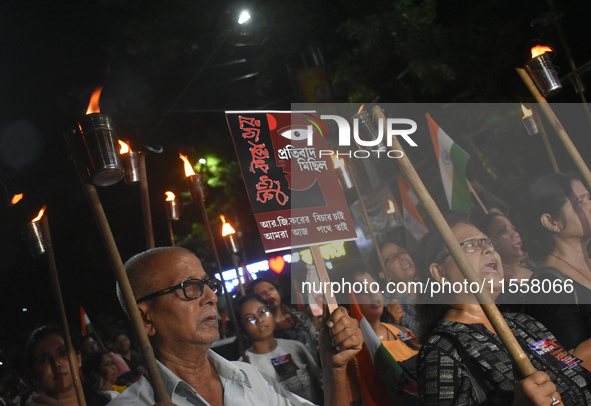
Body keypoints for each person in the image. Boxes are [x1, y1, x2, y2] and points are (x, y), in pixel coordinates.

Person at [108, 246, 362, 406]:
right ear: (145, 318)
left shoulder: (250, 379)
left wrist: (333, 366)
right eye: (190, 287)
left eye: (208, 284)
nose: (211, 297)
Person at [415, 217, 591, 405]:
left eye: (489, 243)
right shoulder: (443, 349)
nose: (489, 249)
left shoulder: (524, 322)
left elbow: (569, 369)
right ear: (439, 273)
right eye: (471, 245)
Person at [520, 172, 591, 351]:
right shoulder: (548, 284)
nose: (590, 205)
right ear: (551, 222)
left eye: (589, 197)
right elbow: (565, 360)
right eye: (580, 203)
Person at [348, 267, 419, 405]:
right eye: (362, 291)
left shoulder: (401, 330)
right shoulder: (358, 352)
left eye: (374, 286)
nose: (372, 294)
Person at [234, 294, 322, 404]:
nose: (259, 320)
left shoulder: (295, 347)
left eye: (262, 312)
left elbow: (317, 382)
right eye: (250, 319)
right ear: (242, 327)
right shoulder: (244, 367)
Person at [472, 211, 533, 312]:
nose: (515, 234)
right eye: (502, 231)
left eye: (513, 228)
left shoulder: (530, 265)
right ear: (489, 242)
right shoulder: (497, 290)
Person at [247, 278, 319, 359]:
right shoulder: (261, 329)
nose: (268, 293)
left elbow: (318, 342)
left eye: (271, 289)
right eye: (261, 293)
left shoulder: (299, 318)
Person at [24, 325, 82, 406]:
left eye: (63, 353)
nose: (56, 364)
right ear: (34, 377)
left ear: (78, 359)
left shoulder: (103, 399)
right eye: (43, 360)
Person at [379, 242, 419, 332]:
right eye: (393, 258)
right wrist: (394, 322)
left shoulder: (428, 283)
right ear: (384, 275)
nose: (401, 257)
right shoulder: (388, 307)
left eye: (402, 251)